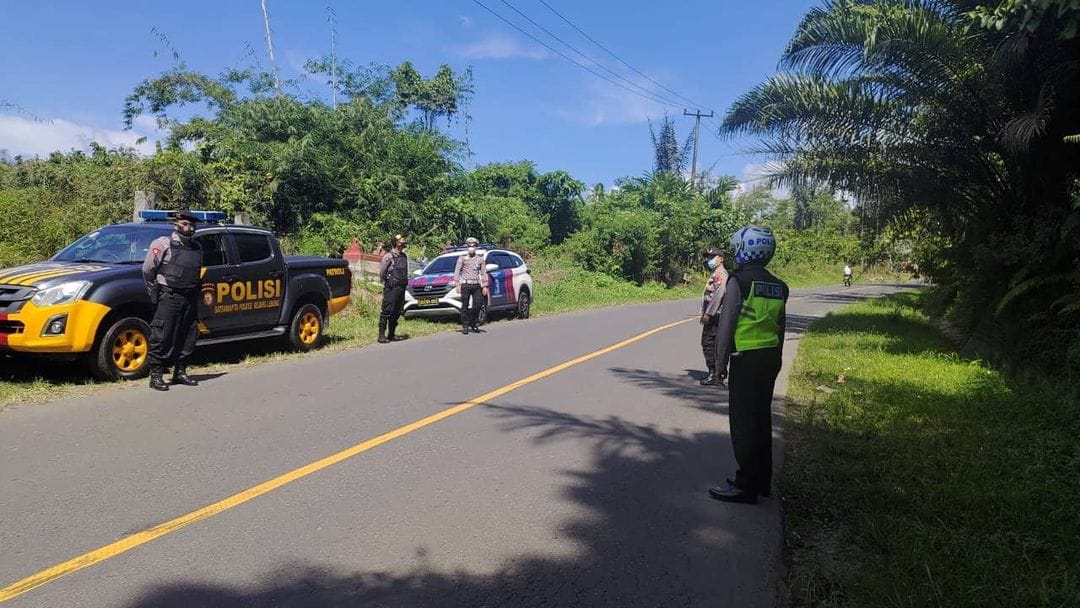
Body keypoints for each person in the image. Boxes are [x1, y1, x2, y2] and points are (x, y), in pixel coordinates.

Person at [708, 226, 789, 504]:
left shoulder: (739, 281)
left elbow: (728, 323)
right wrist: (777, 359)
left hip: (745, 357)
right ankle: (760, 480)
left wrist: (720, 365)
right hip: (769, 358)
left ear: (745, 250)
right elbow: (781, 327)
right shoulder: (779, 286)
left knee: (743, 424)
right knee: (761, 419)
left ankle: (745, 485)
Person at [142, 210, 203, 391]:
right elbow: (147, 270)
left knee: (188, 334)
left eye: (192, 225)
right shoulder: (163, 244)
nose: (189, 228)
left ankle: (181, 372)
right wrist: (155, 290)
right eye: (185, 224)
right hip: (170, 295)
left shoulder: (197, 247)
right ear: (176, 225)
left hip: (190, 296)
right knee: (163, 334)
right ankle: (157, 376)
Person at [699, 247, 728, 386]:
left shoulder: (721, 274)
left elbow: (719, 294)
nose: (710, 260)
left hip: (715, 315)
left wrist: (708, 313)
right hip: (713, 314)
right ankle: (718, 373)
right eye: (709, 257)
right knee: (713, 344)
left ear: (721, 258)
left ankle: (714, 373)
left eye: (713, 257)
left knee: (709, 343)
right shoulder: (715, 273)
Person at [452, 237, 489, 335]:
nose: (471, 248)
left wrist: (485, 286)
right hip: (465, 284)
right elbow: (457, 271)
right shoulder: (462, 258)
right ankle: (465, 324)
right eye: (469, 246)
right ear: (467, 247)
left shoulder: (480, 259)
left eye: (473, 246)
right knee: (465, 305)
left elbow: (483, 273)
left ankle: (473, 322)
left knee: (477, 304)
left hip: (476, 284)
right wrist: (457, 284)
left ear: (476, 247)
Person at [378, 234, 409, 344]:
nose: (403, 243)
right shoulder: (389, 256)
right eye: (401, 241)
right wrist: (385, 282)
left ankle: (391, 334)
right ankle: (381, 336)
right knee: (387, 310)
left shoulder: (404, 256)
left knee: (397, 311)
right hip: (391, 287)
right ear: (396, 243)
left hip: (401, 287)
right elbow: (382, 272)